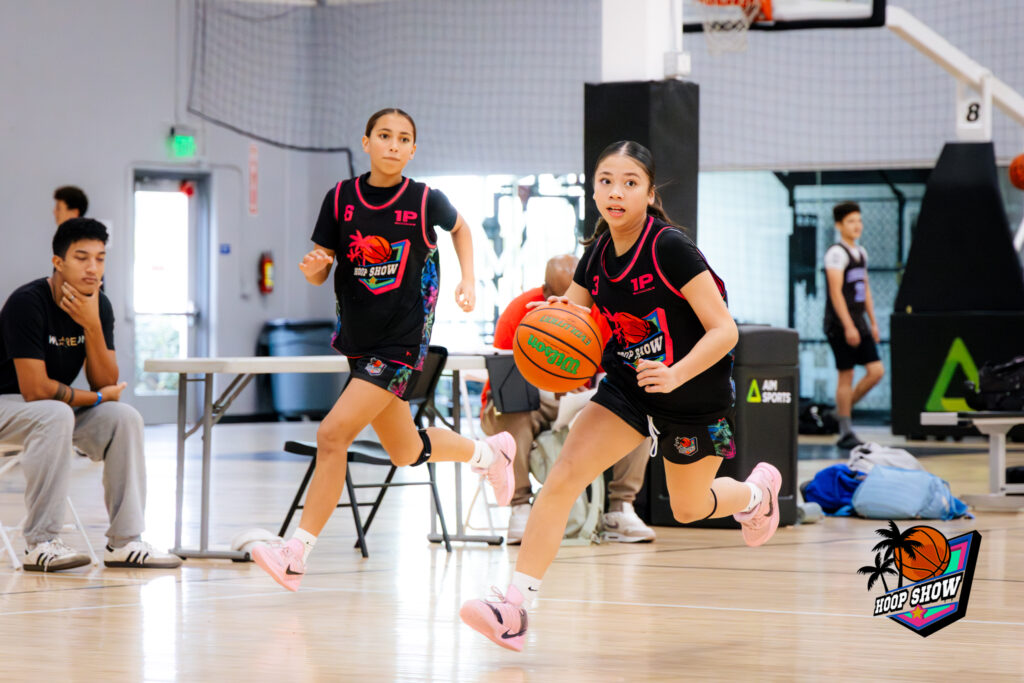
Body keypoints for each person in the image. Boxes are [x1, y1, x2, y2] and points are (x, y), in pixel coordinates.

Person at [459, 141, 782, 652]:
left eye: (630, 182)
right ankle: (513, 609)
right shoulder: (595, 255)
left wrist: (675, 374)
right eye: (606, 181)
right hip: (629, 387)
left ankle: (756, 496)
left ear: (650, 194)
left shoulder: (670, 248)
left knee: (689, 507)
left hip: (693, 393)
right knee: (562, 479)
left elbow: (725, 330)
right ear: (593, 190)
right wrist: (550, 326)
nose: (616, 192)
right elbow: (573, 315)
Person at [250, 108, 515, 591]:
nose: (394, 144)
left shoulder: (425, 200)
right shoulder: (340, 198)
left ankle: (296, 554)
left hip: (401, 343)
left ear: (413, 150)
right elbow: (321, 269)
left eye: (404, 138)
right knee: (405, 449)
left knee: (332, 435)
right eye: (385, 135)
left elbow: (461, 228)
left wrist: (469, 278)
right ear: (366, 142)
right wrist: (313, 268)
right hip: (358, 342)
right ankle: (489, 454)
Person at [0, 218, 182, 571]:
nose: (92, 268)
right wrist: (97, 399)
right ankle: (41, 543)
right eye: (82, 258)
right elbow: (36, 390)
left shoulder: (99, 305)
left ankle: (125, 542)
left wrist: (92, 324)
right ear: (58, 262)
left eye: (100, 258)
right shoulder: (27, 303)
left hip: (52, 409)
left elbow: (105, 380)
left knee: (124, 418)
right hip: (11, 405)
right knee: (54, 413)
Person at [481, 253, 656, 544]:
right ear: (545, 292)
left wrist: (587, 393)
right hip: (523, 402)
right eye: (561, 297)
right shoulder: (519, 312)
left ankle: (621, 508)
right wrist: (551, 386)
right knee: (514, 409)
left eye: (578, 297)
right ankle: (520, 507)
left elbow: (611, 375)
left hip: (583, 401)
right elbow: (506, 380)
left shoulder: (603, 314)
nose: (570, 304)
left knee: (636, 411)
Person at [824, 201, 884, 449]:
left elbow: (865, 289)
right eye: (851, 221)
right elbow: (835, 293)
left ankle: (840, 412)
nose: (857, 225)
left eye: (859, 220)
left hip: (860, 322)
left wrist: (873, 322)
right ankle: (845, 431)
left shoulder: (861, 253)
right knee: (846, 375)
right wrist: (848, 325)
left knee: (876, 371)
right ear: (839, 225)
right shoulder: (836, 254)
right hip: (839, 324)